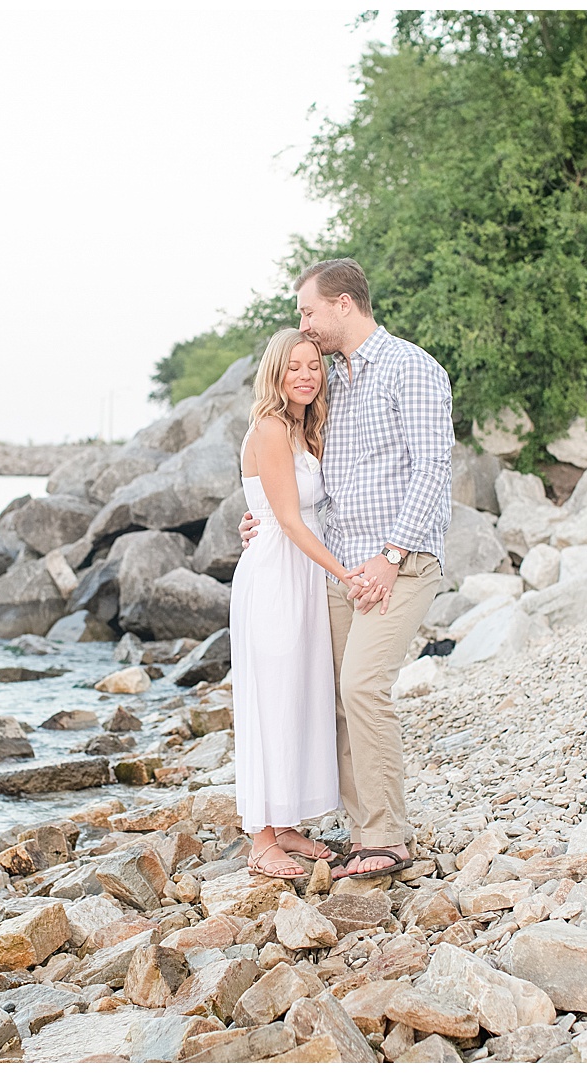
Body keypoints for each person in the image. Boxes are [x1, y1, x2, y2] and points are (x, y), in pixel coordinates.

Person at [240, 258, 453, 879]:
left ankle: (387, 836)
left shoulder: (411, 368)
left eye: (307, 311)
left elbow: (432, 470)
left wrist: (391, 557)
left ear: (341, 304)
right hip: (339, 569)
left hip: (400, 562)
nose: (302, 324)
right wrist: (262, 518)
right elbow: (304, 482)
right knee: (336, 698)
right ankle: (361, 834)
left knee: (362, 685)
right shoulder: (337, 380)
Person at [231, 328, 368, 879]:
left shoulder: (306, 428)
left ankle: (287, 823)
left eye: (314, 365)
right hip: (279, 574)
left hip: (307, 572)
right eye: (295, 367)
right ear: (275, 372)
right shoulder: (269, 428)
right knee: (270, 699)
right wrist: (348, 575)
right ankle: (261, 838)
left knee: (302, 698)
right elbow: (285, 519)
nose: (306, 375)